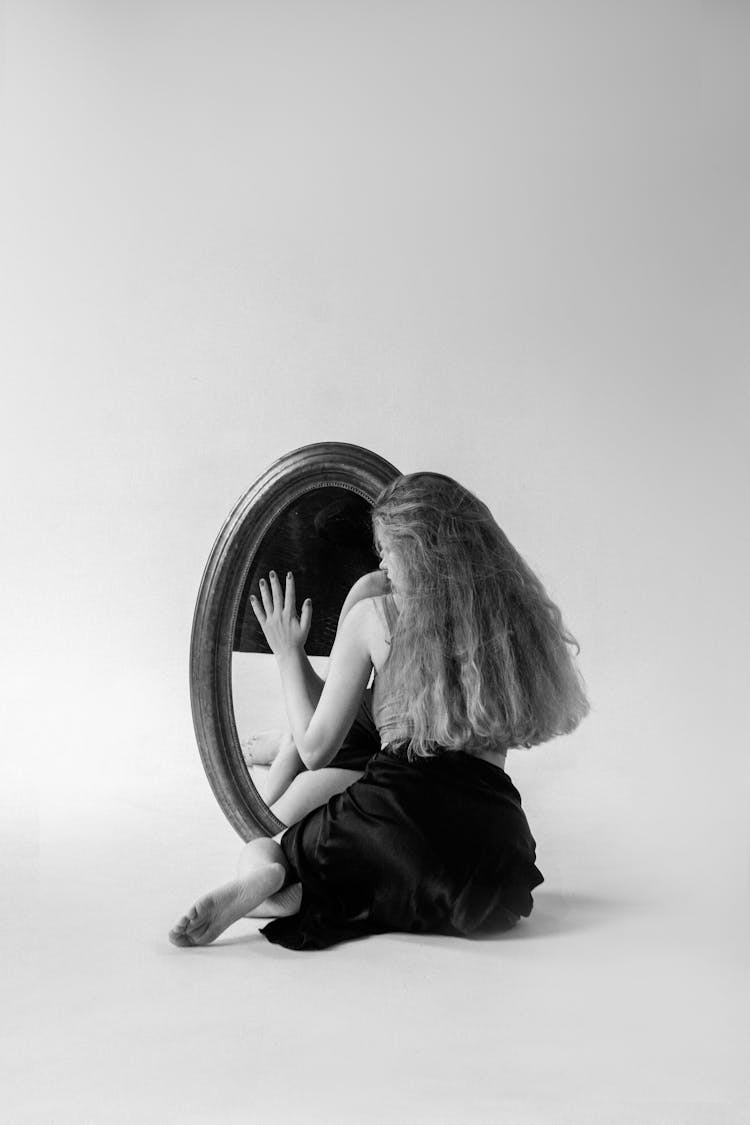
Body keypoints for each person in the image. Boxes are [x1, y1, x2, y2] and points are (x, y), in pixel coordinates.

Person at [169, 472, 589, 951]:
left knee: (264, 847)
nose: (383, 563)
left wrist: (288, 651)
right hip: (493, 848)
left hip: (393, 820)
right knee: (440, 883)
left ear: (418, 549)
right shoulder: (505, 620)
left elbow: (314, 747)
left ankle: (277, 887)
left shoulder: (378, 616)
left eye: (387, 548)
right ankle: (342, 890)